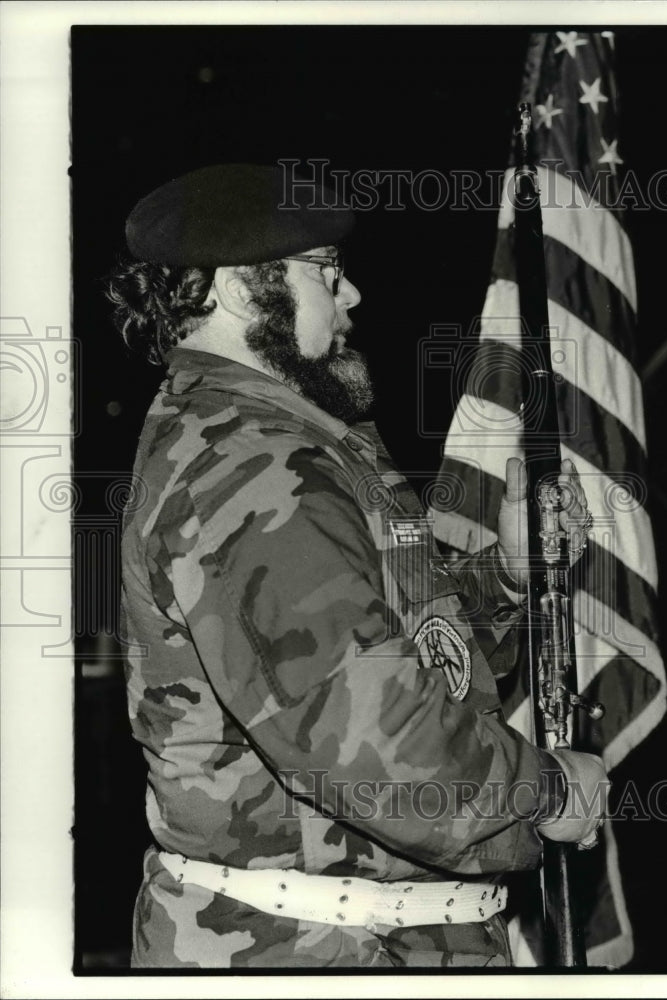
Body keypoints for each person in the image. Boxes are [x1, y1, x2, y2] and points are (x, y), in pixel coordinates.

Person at [108, 163, 608, 969]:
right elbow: (367, 742)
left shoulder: (298, 442)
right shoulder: (251, 466)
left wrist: (507, 576)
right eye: (326, 273)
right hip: (315, 950)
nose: (351, 297)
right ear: (241, 291)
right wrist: (547, 790)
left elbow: (397, 653)